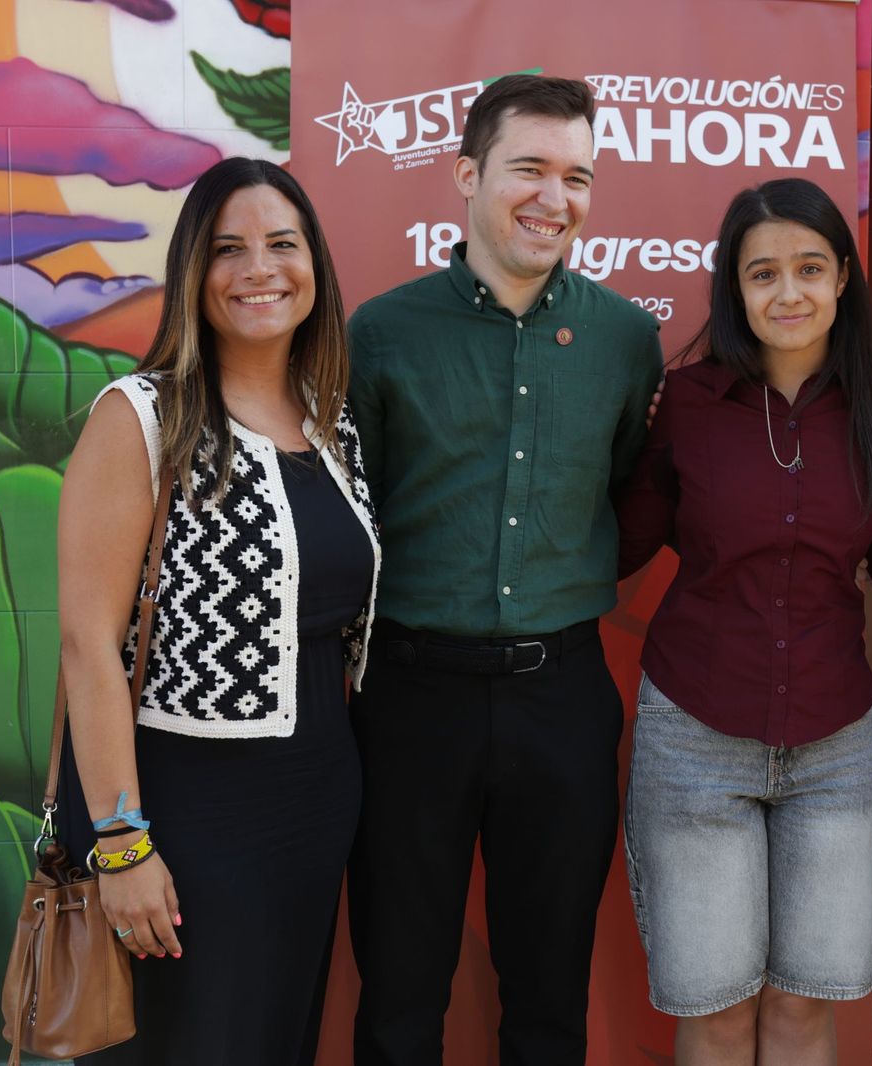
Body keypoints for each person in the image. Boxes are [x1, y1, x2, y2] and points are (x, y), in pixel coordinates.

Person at [344, 74, 665, 1065]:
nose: (554, 197)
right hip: (409, 700)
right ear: (465, 174)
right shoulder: (380, 334)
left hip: (561, 696)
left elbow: (623, 491)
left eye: (578, 176)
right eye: (530, 168)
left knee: (549, 996)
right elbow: (353, 512)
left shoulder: (625, 340)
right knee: (399, 996)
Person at [55, 157, 379, 1065]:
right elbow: (88, 645)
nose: (259, 269)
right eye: (229, 249)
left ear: (314, 263)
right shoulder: (143, 416)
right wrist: (121, 844)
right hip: (183, 812)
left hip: (312, 805)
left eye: (282, 244)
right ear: (193, 272)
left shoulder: (331, 422)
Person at [614, 177, 872, 1066]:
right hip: (696, 738)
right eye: (763, 274)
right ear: (735, 288)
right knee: (715, 1011)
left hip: (836, 746)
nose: (788, 292)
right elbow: (619, 546)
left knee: (802, 1006)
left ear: (842, 279)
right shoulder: (685, 405)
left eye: (809, 268)